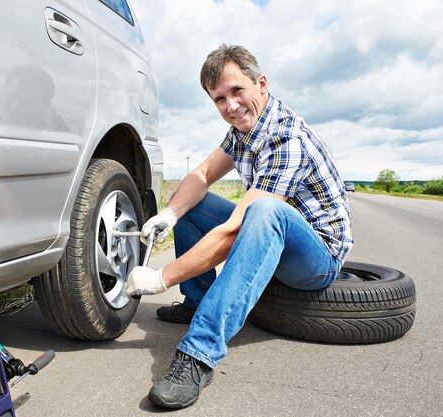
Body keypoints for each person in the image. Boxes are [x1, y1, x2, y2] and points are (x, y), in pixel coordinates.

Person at [125, 44, 353, 409]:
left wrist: (161, 277)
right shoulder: (243, 130)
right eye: (219, 99)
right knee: (193, 202)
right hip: (273, 239)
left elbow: (234, 230)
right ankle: (196, 300)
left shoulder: (285, 138)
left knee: (264, 211)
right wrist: (169, 214)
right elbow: (201, 174)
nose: (230, 106)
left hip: (317, 257)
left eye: (237, 91)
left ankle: (199, 354)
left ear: (260, 83)